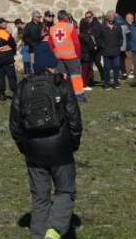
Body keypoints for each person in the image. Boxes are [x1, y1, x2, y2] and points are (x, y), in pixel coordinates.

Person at [9, 52, 83, 239]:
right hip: (61, 149)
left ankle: (38, 235)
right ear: (53, 66)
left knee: (40, 198)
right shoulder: (62, 84)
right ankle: (55, 229)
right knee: (65, 190)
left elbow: (14, 124)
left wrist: (24, 147)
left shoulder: (23, 87)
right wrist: (72, 144)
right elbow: (74, 119)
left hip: (33, 150)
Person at [49, 10, 87, 101]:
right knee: (76, 76)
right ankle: (79, 96)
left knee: (62, 76)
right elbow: (76, 43)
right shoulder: (70, 27)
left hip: (58, 57)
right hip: (72, 56)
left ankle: (63, 94)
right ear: (66, 17)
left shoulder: (52, 29)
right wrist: (78, 53)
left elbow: (50, 45)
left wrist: (54, 54)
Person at [0, 18, 18, 101]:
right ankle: (14, 93)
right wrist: (13, 52)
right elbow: (13, 44)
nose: (6, 24)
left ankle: (2, 94)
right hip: (7, 58)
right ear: (0, 25)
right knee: (11, 76)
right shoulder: (5, 34)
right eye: (4, 23)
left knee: (1, 77)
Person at [97, 11, 124, 89]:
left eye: (113, 18)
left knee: (116, 66)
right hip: (106, 51)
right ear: (107, 17)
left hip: (116, 50)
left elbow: (121, 37)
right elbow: (98, 37)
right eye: (110, 18)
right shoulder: (102, 26)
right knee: (107, 68)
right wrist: (102, 45)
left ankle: (116, 83)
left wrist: (119, 44)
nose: (111, 20)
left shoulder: (118, 26)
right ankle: (106, 84)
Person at [78, 18, 97, 90]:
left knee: (86, 70)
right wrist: (94, 48)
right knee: (85, 71)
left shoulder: (81, 35)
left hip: (84, 55)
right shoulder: (85, 35)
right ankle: (84, 84)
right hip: (86, 55)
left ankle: (85, 83)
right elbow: (90, 45)